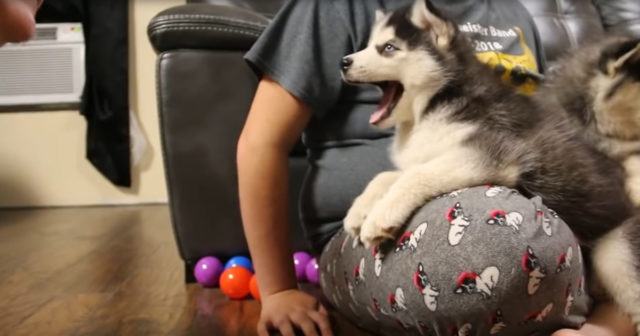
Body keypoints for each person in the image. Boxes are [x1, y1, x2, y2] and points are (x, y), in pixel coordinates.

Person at [237, 0, 637, 335]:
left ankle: (601, 319)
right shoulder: (339, 5)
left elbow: (537, 143)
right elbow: (262, 143)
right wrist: (276, 291)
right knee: (502, 234)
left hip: (533, 218)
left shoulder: (510, 14)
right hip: (373, 237)